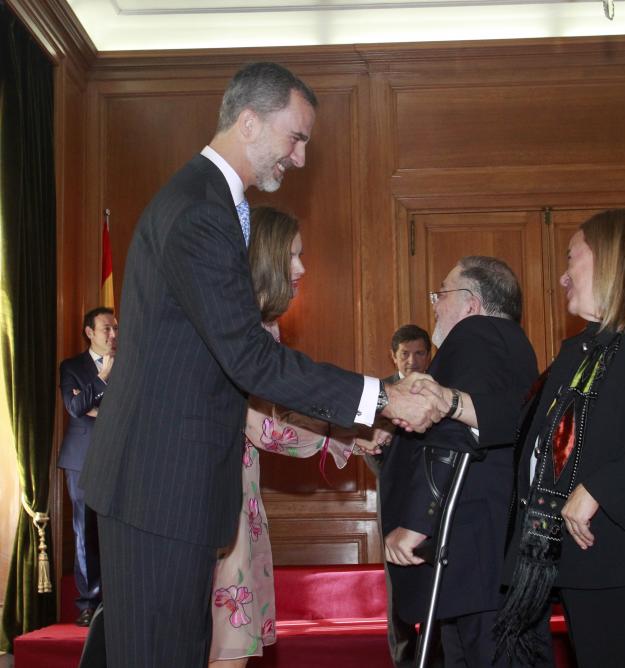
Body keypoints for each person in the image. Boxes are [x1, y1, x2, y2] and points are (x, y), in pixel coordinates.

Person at [79, 61, 446, 668]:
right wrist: (380, 395)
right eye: (295, 137)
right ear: (248, 123)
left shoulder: (213, 204)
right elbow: (248, 357)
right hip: (160, 485)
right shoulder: (200, 210)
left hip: (168, 485)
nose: (300, 158)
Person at [496, 209, 625, 667]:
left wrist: (597, 490)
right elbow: (535, 433)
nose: (561, 276)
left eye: (571, 257)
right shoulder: (581, 349)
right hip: (581, 560)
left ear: (610, 258)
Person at [209, 207, 361, 666]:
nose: (302, 269)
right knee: (224, 646)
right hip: (215, 497)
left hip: (238, 492)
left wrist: (346, 430)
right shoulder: (242, 325)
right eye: (293, 256)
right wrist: (341, 434)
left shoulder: (260, 325)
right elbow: (263, 426)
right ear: (267, 256)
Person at [381, 256, 539, 667]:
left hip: (470, 542)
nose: (434, 304)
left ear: (470, 302)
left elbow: (456, 431)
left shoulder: (476, 333)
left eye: (441, 293)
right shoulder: (507, 340)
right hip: (486, 545)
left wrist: (418, 521)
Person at [369, 324, 437, 667]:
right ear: (393, 356)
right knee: (397, 585)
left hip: (433, 502)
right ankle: (403, 657)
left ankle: (434, 653)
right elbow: (366, 445)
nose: (412, 360)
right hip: (393, 497)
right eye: (405, 354)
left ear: (429, 355)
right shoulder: (379, 392)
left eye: (420, 353)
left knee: (432, 580)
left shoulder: (441, 390)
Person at [57, 307, 117, 626]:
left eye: (115, 328)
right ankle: (88, 604)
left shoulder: (130, 365)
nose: (113, 335)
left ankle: (117, 598)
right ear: (89, 332)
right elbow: (76, 407)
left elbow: (129, 410)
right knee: (85, 532)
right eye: (106, 329)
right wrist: (103, 378)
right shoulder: (72, 367)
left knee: (116, 529)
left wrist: (95, 404)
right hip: (81, 459)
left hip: (119, 458)